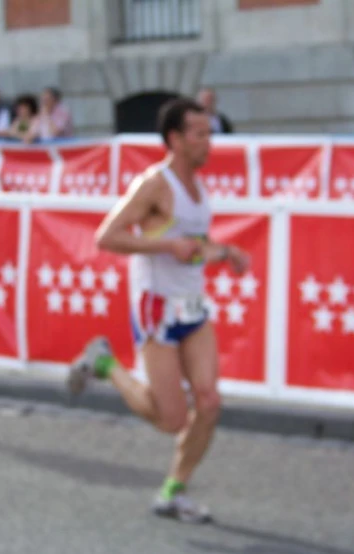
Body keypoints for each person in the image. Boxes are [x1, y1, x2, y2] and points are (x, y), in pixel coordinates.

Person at [66, 97, 250, 524]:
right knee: (171, 418)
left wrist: (226, 252)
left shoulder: (199, 188)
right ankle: (106, 363)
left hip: (193, 306)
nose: (210, 143)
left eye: (210, 133)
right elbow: (106, 237)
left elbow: (193, 244)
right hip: (156, 307)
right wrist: (166, 246)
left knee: (208, 401)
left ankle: (174, 490)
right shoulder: (154, 184)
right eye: (200, 135)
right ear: (176, 140)